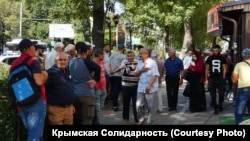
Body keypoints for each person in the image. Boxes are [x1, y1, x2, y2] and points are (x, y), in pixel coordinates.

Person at [9, 39, 48, 141]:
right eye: (34, 47)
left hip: (21, 103)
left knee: (35, 134)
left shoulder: (14, 64)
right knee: (34, 136)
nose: (35, 48)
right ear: (30, 48)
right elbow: (39, 81)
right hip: (36, 102)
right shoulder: (32, 60)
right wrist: (45, 74)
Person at [69, 41, 101, 125]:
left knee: (76, 120)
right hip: (87, 93)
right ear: (87, 51)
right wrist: (95, 80)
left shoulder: (71, 61)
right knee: (87, 120)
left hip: (74, 94)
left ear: (76, 51)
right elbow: (98, 68)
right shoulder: (87, 62)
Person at [45, 52, 75, 125]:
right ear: (55, 61)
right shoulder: (50, 73)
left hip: (69, 109)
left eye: (65, 60)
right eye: (60, 60)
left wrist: (71, 105)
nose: (63, 62)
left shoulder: (67, 71)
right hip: (56, 110)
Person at [135, 48, 159, 125]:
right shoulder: (139, 63)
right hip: (141, 87)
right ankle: (142, 118)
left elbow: (155, 75)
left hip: (151, 88)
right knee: (139, 105)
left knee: (151, 106)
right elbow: (136, 74)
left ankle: (150, 122)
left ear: (146, 54)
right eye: (139, 53)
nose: (139, 55)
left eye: (141, 53)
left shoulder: (152, 63)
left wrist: (149, 85)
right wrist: (141, 70)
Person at [205, 44, 227, 115]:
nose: (215, 52)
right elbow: (207, 69)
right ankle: (215, 107)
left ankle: (220, 103)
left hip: (220, 78)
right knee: (213, 94)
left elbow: (224, 68)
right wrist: (206, 79)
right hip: (212, 78)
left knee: (221, 93)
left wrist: (224, 77)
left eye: (216, 51)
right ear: (212, 51)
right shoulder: (209, 58)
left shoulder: (222, 58)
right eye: (214, 51)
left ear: (219, 50)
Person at [119, 50, 139, 124]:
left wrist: (129, 69)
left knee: (136, 104)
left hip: (135, 86)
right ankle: (125, 117)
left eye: (131, 56)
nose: (129, 57)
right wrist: (131, 67)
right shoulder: (124, 62)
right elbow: (123, 73)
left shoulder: (138, 62)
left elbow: (139, 72)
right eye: (128, 56)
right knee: (126, 103)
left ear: (134, 56)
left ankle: (137, 119)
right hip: (126, 86)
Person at [231, 48, 250, 125]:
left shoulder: (239, 65)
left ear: (243, 56)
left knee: (239, 111)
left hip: (244, 89)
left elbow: (234, 80)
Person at [109, 44, 126, 111]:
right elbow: (121, 66)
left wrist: (111, 70)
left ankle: (114, 103)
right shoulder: (123, 56)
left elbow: (109, 64)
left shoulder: (112, 55)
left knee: (113, 90)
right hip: (118, 75)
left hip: (111, 75)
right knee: (117, 90)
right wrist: (114, 71)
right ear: (123, 49)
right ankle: (115, 105)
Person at [92, 48, 107, 125]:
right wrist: (96, 85)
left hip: (103, 87)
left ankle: (96, 119)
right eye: (103, 54)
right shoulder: (93, 63)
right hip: (97, 88)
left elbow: (103, 74)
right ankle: (98, 122)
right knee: (97, 107)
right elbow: (92, 75)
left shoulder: (102, 62)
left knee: (100, 107)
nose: (104, 56)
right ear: (99, 55)